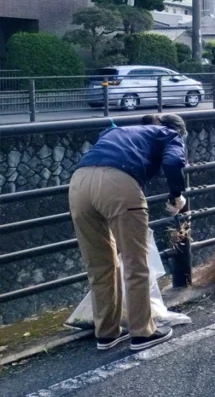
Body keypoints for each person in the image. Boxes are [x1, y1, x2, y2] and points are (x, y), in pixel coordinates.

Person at [69, 114, 188, 351]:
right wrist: (177, 195)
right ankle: (143, 332)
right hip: (118, 184)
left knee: (99, 264)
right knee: (136, 262)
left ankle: (106, 333)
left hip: (79, 183)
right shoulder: (170, 134)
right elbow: (174, 162)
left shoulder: (123, 130)